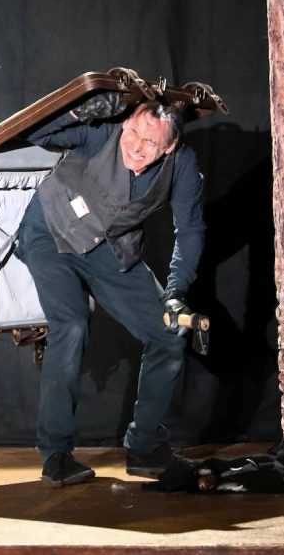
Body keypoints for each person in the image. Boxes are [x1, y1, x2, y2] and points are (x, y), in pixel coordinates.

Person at [13, 91, 204, 486]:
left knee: (170, 331)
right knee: (73, 324)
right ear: (125, 124)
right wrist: (76, 112)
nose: (136, 146)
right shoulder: (101, 134)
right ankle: (56, 453)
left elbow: (189, 230)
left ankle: (146, 446)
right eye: (132, 132)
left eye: (150, 142)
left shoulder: (183, 166)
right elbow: (31, 134)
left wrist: (176, 288)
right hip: (52, 232)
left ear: (170, 146)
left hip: (110, 249)